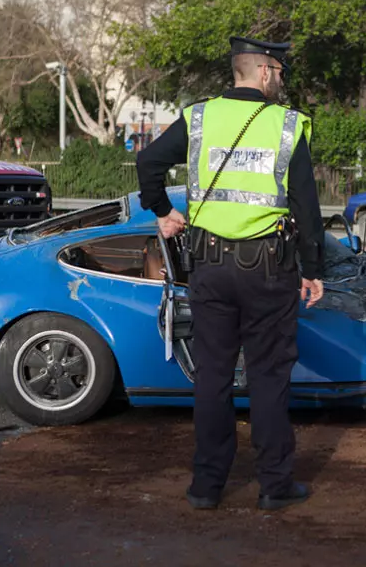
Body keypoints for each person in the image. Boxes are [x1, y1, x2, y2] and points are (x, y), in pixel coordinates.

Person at [136, 36, 326, 511]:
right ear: (264, 72)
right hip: (269, 271)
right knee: (267, 377)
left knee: (213, 377)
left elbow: (148, 162)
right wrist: (314, 269)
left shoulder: (199, 118)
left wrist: (162, 210)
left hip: (211, 268)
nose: (281, 82)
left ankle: (206, 487)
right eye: (279, 73)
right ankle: (274, 484)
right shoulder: (287, 125)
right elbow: (306, 204)